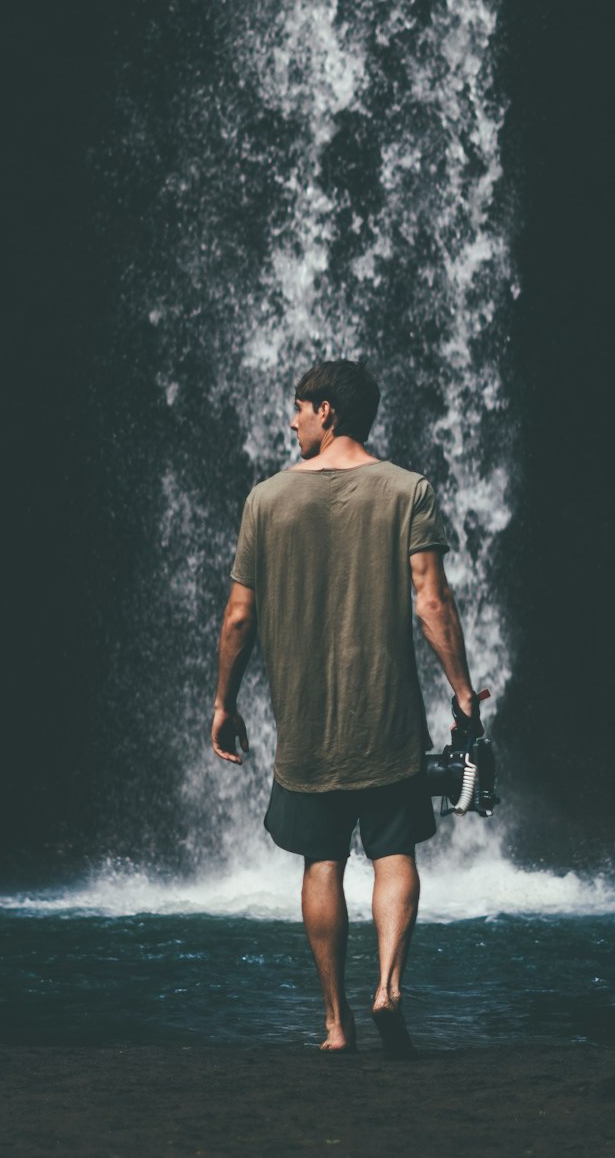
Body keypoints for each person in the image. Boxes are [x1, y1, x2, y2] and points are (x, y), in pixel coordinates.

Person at [211, 360, 480, 1056]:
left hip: (305, 728)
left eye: (299, 408)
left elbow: (239, 618)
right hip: (388, 722)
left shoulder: (266, 500)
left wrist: (224, 702)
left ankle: (336, 1024)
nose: (292, 420)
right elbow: (431, 603)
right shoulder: (406, 491)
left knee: (321, 862)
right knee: (394, 852)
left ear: (328, 412)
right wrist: (462, 698)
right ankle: (388, 985)